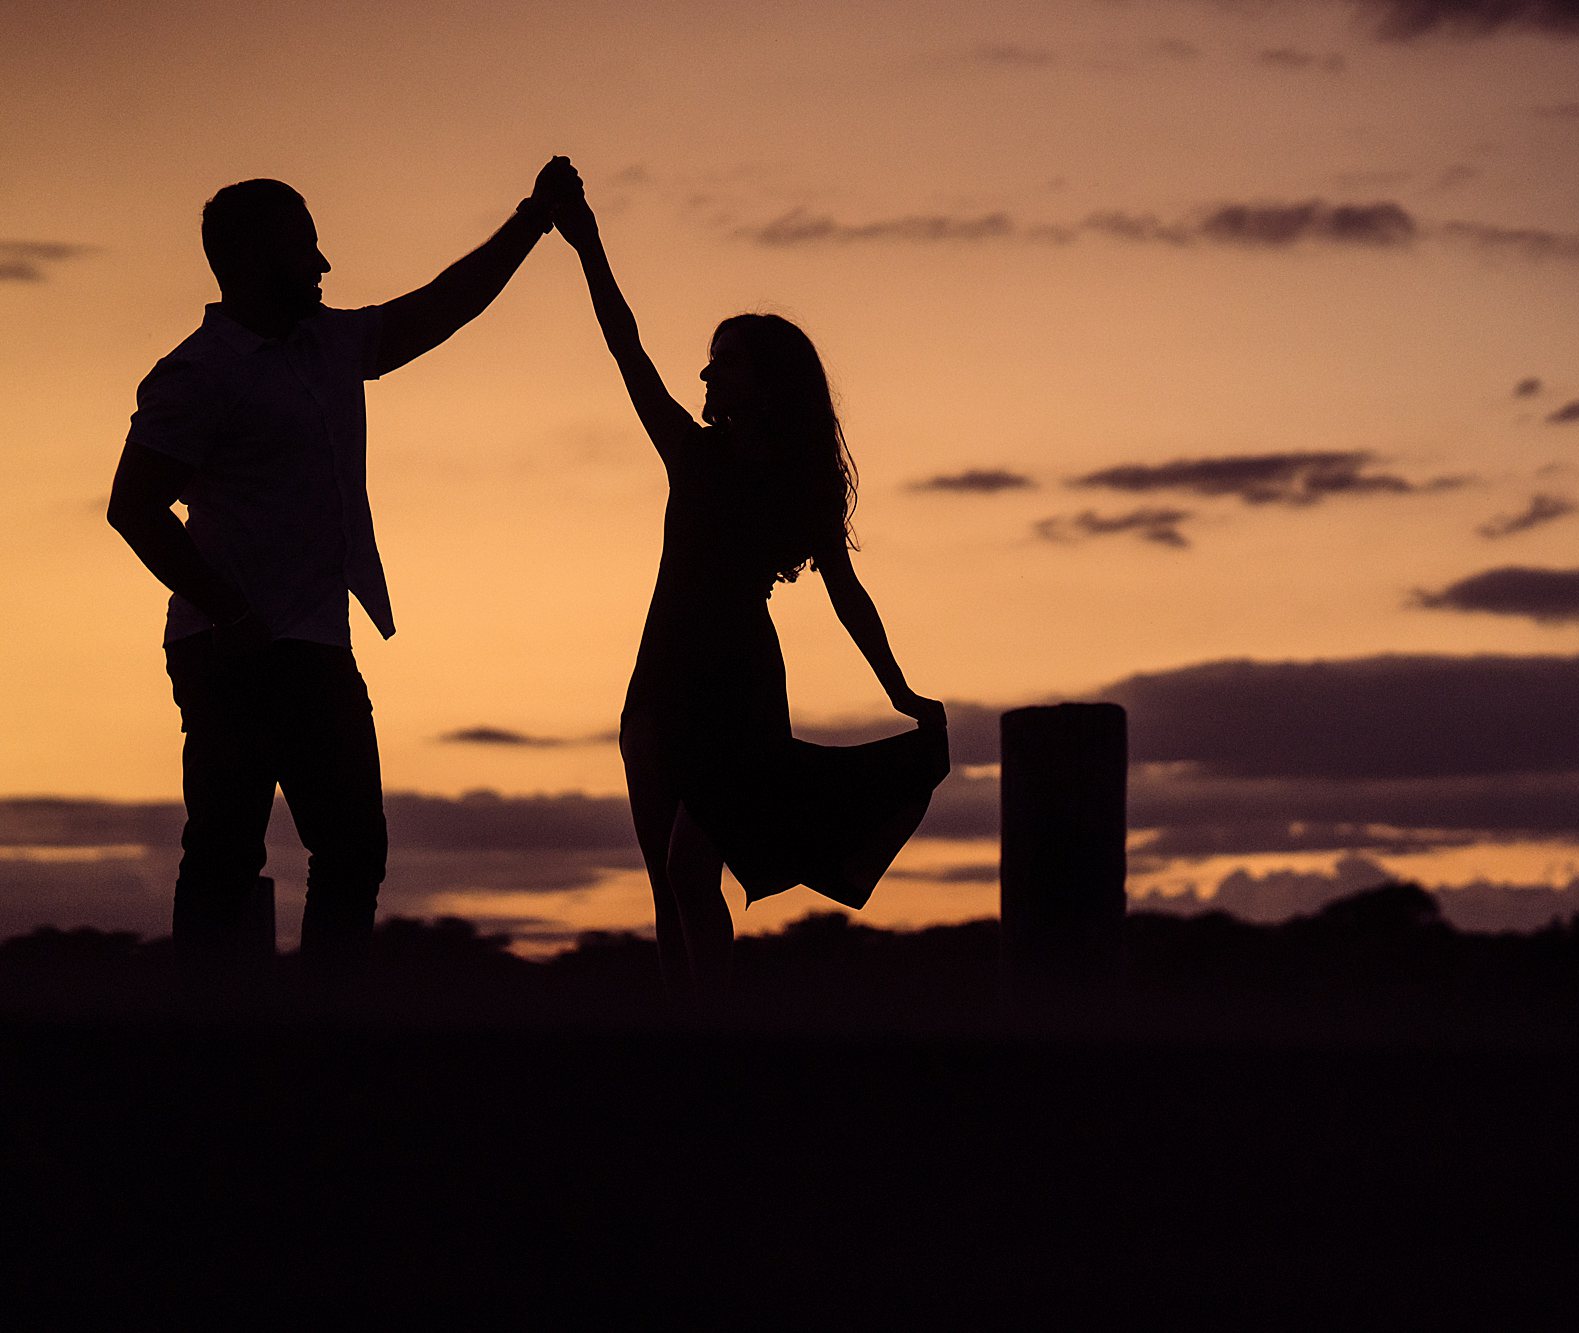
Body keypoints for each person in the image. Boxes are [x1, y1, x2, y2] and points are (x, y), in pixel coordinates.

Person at [108, 160, 577, 1001]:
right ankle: (203, 1040)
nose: (323, 264)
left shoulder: (331, 346)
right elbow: (132, 507)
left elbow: (443, 307)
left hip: (318, 646)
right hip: (228, 651)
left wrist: (532, 219)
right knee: (224, 850)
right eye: (305, 246)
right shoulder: (198, 372)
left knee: (354, 848)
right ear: (251, 258)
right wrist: (233, 613)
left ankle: (326, 1029)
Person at [547, 161, 949, 1003]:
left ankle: (718, 1037)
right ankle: (687, 1043)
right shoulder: (689, 453)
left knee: (694, 868)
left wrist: (899, 689)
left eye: (722, 363)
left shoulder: (800, 483)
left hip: (740, 692)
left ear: (765, 380)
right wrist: (586, 244)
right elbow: (626, 346)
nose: (704, 378)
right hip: (659, 681)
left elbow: (845, 593)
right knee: (669, 881)